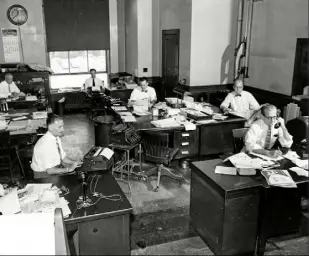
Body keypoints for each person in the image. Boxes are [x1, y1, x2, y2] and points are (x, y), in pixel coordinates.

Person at [31, 114, 82, 179]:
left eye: (63, 126)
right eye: (60, 127)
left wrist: (75, 162)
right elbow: (50, 171)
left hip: (54, 169)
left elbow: (63, 158)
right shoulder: (45, 145)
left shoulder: (56, 138)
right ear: (50, 128)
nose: (63, 129)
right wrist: (68, 169)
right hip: (43, 176)